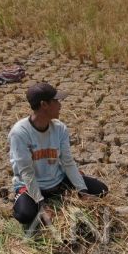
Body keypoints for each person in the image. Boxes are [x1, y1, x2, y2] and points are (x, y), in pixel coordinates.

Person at [9, 82, 108, 225]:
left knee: (102, 191)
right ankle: (33, 199)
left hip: (58, 181)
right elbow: (26, 172)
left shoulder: (60, 128)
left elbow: (68, 162)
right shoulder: (20, 133)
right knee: (24, 215)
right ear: (44, 104)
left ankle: (60, 193)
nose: (60, 105)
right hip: (32, 186)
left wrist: (82, 191)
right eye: (56, 101)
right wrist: (41, 204)